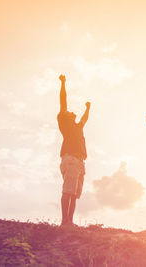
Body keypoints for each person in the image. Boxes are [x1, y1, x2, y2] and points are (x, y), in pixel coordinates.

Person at [57, 74, 91, 226]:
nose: (72, 112)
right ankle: (65, 222)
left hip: (79, 162)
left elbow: (84, 119)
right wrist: (63, 83)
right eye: (71, 112)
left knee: (74, 194)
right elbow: (63, 101)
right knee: (68, 191)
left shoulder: (77, 127)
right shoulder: (64, 121)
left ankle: (69, 222)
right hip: (70, 159)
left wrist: (87, 109)